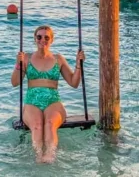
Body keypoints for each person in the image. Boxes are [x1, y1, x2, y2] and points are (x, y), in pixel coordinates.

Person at [11, 25, 85, 163]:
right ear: (35, 38)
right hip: (32, 101)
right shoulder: (26, 58)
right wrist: (18, 64)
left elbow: (74, 83)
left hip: (53, 101)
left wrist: (78, 65)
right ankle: (38, 155)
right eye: (39, 37)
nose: (42, 40)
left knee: (50, 124)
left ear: (52, 40)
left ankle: (50, 155)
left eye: (46, 37)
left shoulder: (58, 59)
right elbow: (15, 82)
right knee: (37, 125)